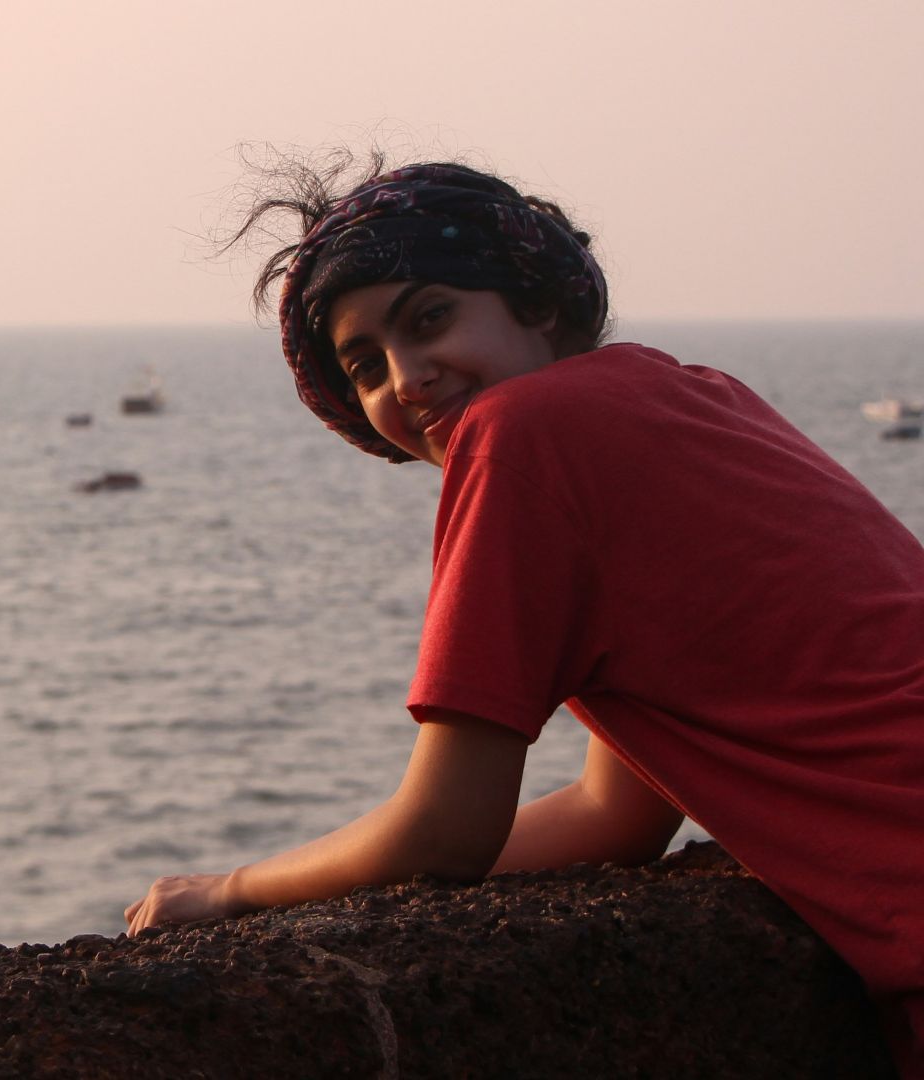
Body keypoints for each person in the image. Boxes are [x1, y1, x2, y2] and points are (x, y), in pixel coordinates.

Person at [122, 156, 924, 1073]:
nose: (408, 378)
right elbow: (610, 815)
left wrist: (234, 891)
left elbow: (446, 830)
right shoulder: (689, 394)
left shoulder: (525, 434)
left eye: (430, 320)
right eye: (366, 365)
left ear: (539, 304)